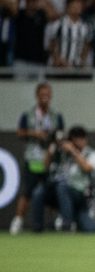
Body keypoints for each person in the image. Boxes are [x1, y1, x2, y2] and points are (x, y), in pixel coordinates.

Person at [9, 82, 64, 234]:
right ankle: (18, 221)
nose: (44, 98)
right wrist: (35, 134)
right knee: (27, 191)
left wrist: (54, 138)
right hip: (33, 159)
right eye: (41, 95)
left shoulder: (56, 116)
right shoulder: (28, 114)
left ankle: (56, 222)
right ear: (36, 96)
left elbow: (62, 133)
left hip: (50, 160)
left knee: (51, 192)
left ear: (51, 96)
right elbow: (20, 133)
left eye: (47, 95)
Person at [46, 125, 95, 232]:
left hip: (83, 195)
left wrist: (73, 151)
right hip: (64, 193)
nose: (77, 143)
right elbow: (46, 166)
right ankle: (67, 224)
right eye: (74, 140)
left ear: (85, 139)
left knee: (90, 228)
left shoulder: (92, 153)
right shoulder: (63, 153)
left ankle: (93, 222)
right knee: (44, 190)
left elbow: (87, 168)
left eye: (79, 140)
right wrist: (55, 145)